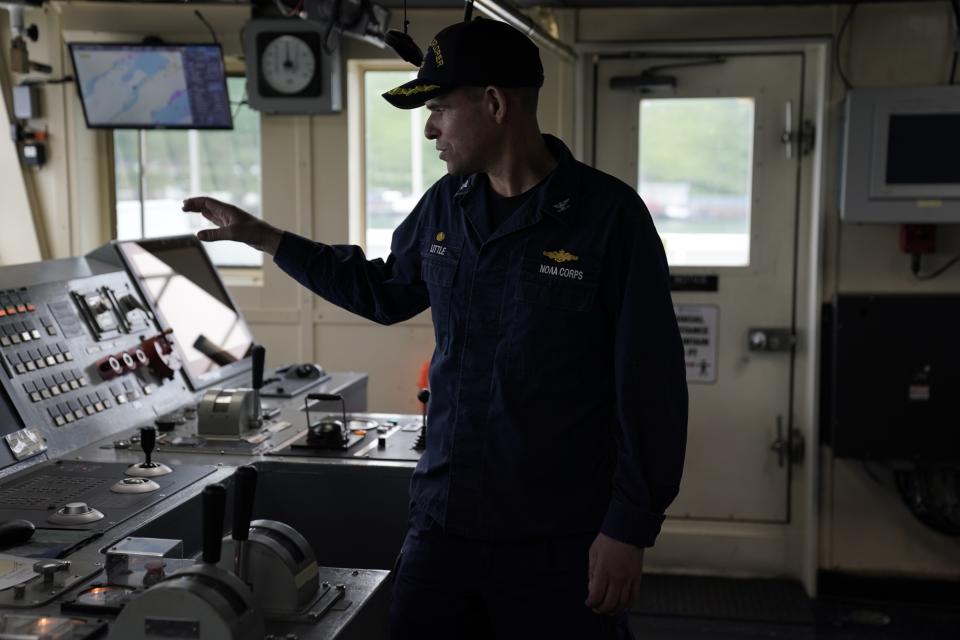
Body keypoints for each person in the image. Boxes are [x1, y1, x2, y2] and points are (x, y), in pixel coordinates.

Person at [183, 18, 687, 639]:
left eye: (441, 109)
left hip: (558, 536)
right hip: (443, 522)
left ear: (495, 104)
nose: (430, 129)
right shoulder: (447, 204)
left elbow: (651, 388)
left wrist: (628, 528)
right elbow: (384, 290)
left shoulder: (609, 220)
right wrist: (268, 240)